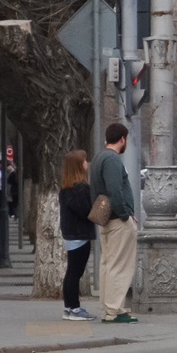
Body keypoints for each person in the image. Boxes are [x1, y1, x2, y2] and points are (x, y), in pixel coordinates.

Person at [90, 123, 138, 323]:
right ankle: (114, 309)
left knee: (108, 264)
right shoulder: (112, 160)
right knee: (120, 266)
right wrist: (126, 214)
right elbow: (114, 190)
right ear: (123, 139)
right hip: (118, 221)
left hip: (104, 218)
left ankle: (107, 308)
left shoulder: (99, 157)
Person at [58, 150, 98, 321]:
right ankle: (74, 308)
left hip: (71, 233)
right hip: (79, 234)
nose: (87, 163)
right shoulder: (80, 188)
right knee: (75, 272)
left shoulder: (66, 188)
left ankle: (69, 307)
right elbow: (86, 211)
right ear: (78, 165)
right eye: (84, 160)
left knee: (72, 272)